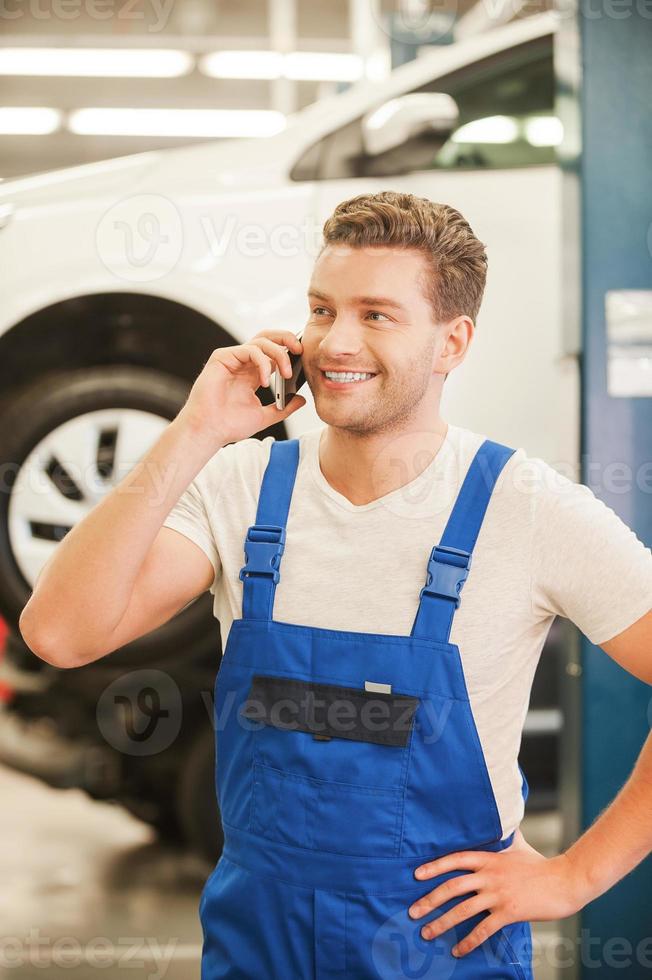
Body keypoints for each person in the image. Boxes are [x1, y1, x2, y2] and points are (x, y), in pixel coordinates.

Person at [20, 191, 652, 979]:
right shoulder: (241, 486)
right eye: (322, 310)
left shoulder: (524, 508)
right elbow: (61, 633)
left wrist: (575, 877)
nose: (335, 341)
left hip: (442, 951)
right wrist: (193, 432)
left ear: (452, 342)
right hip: (258, 944)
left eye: (377, 315)